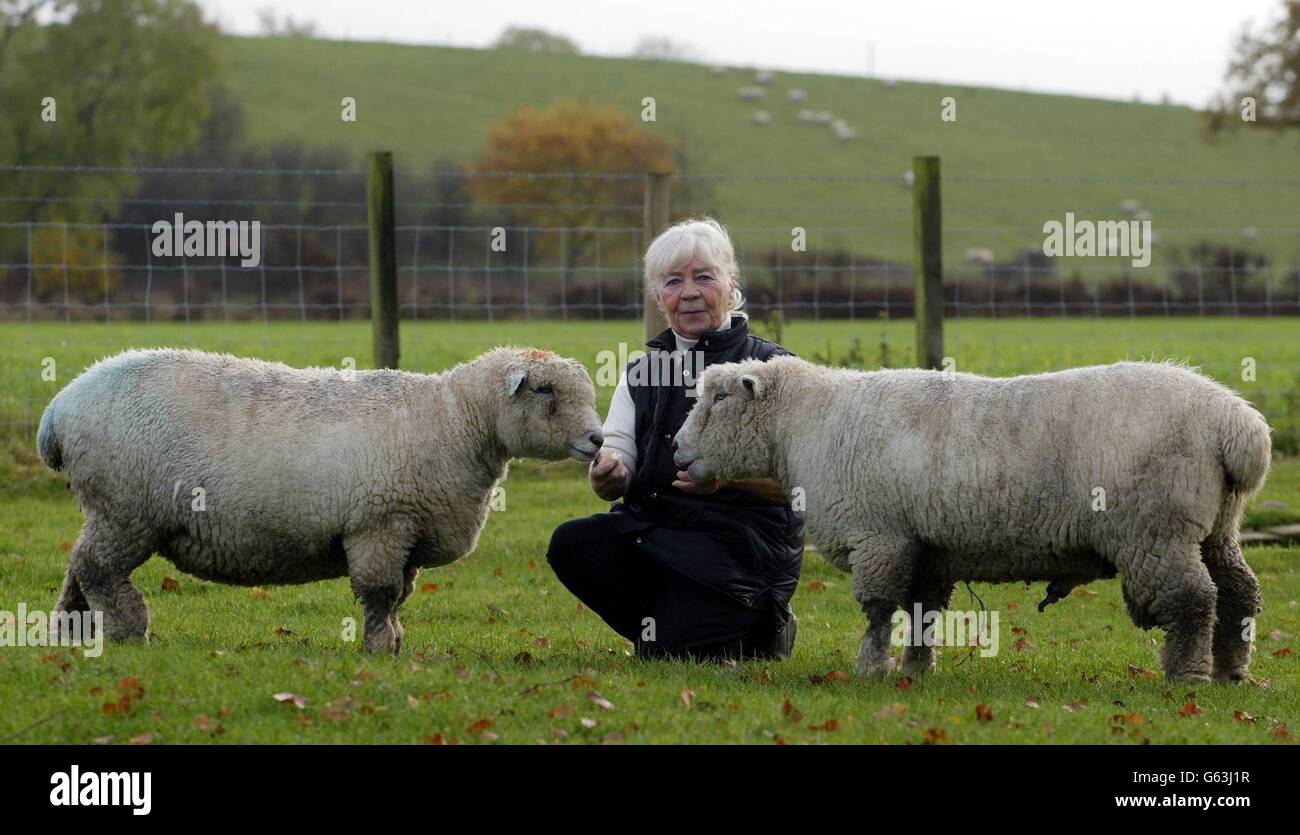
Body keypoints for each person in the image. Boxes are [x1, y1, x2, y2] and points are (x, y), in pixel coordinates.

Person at [546, 216, 803, 661]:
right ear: (658, 295)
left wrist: (726, 479)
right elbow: (617, 452)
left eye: (704, 277)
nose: (689, 293)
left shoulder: (772, 369)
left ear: (731, 282)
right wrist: (607, 474)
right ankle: (672, 627)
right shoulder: (642, 372)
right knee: (572, 543)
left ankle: (765, 621)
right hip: (658, 538)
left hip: (740, 553)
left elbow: (804, 482)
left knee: (671, 654)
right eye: (673, 281)